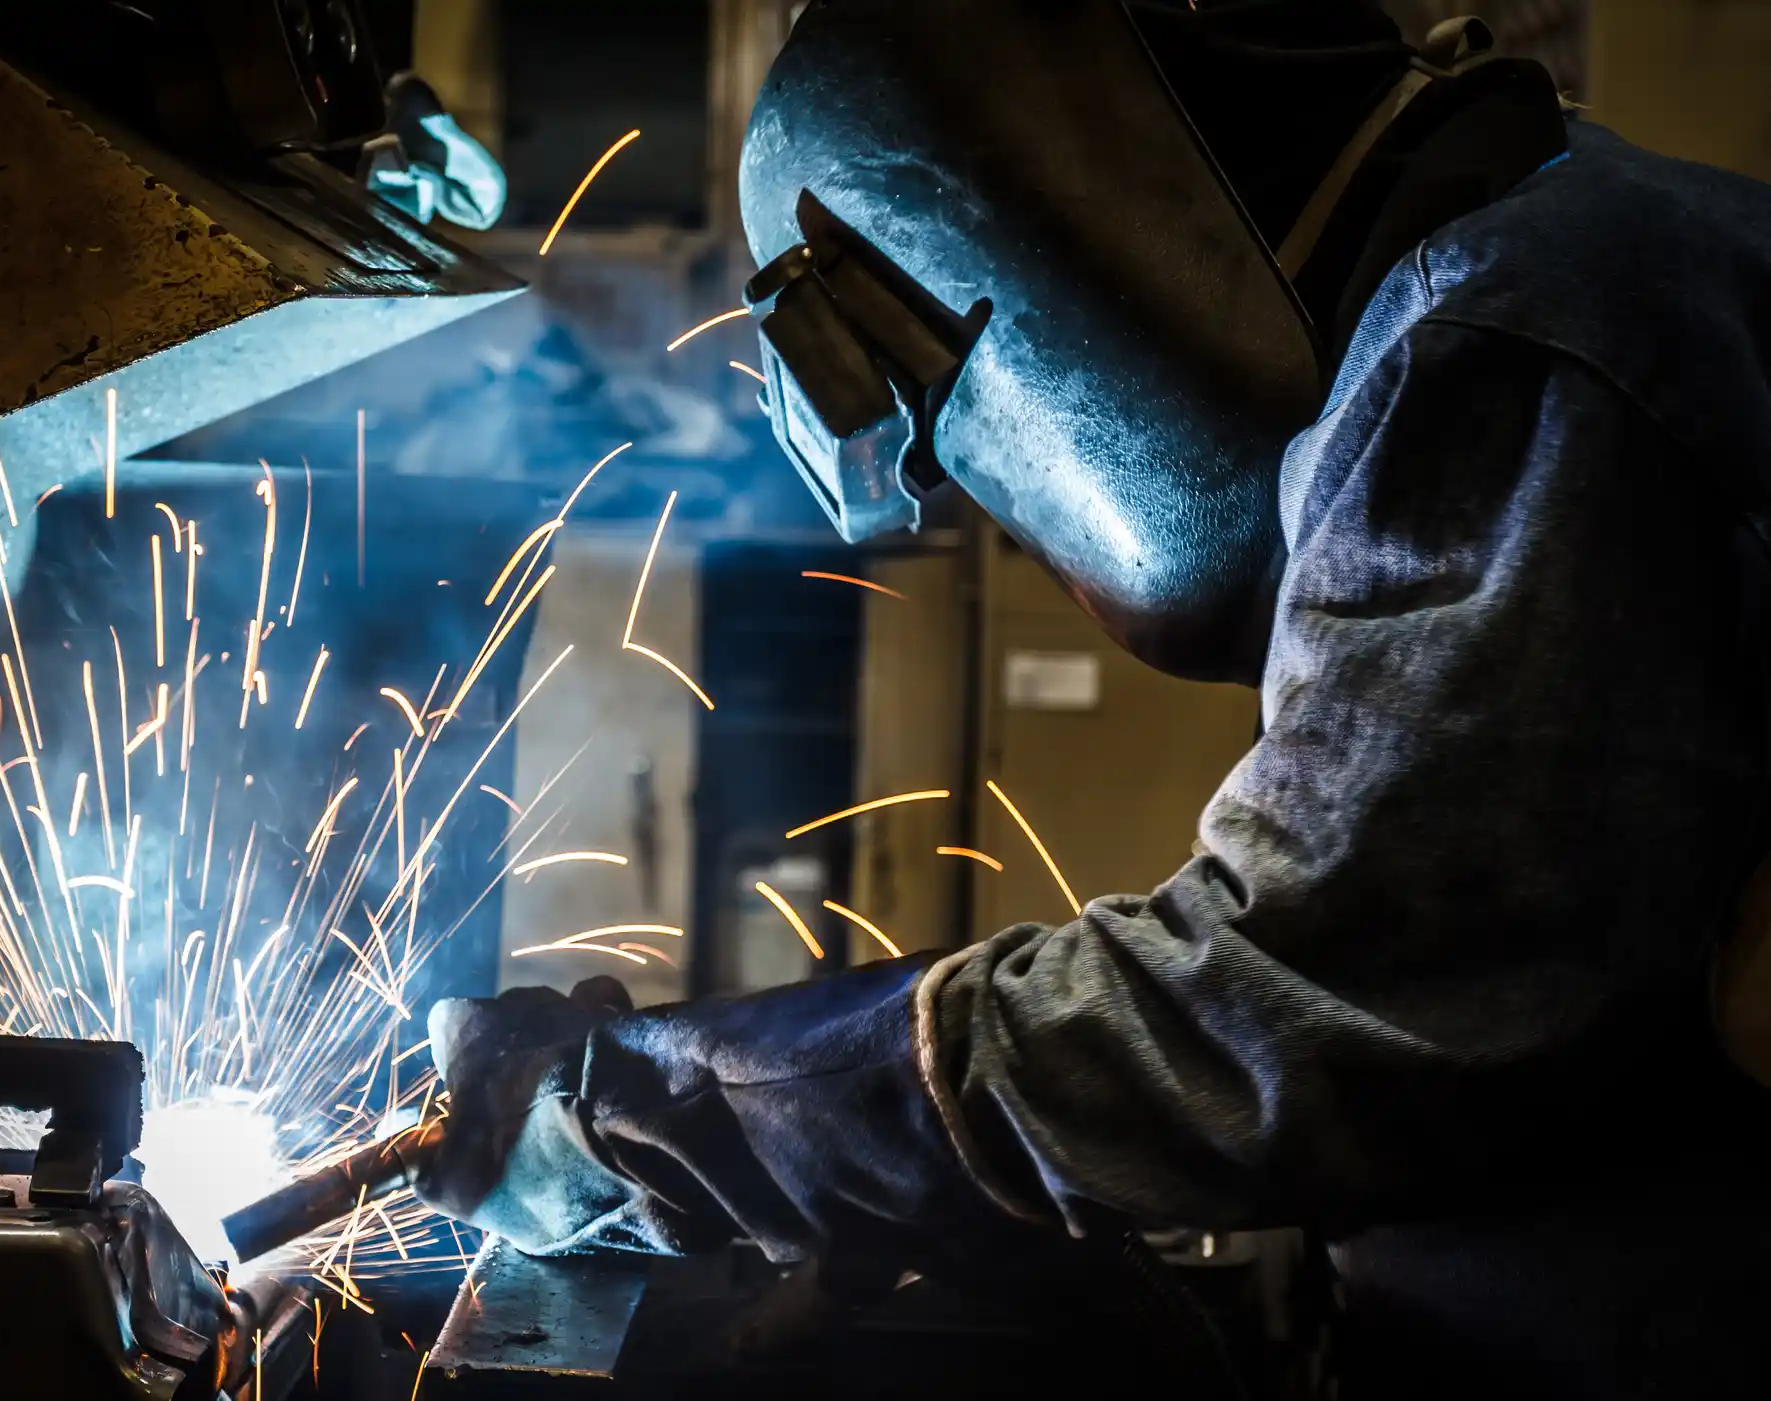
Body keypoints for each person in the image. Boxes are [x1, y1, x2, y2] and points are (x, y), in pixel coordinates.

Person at [415, 2, 1771, 1395]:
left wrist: (649, 1117)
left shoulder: (1518, 335)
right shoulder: (1578, 265)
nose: (1026, 535)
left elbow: (1293, 1000)